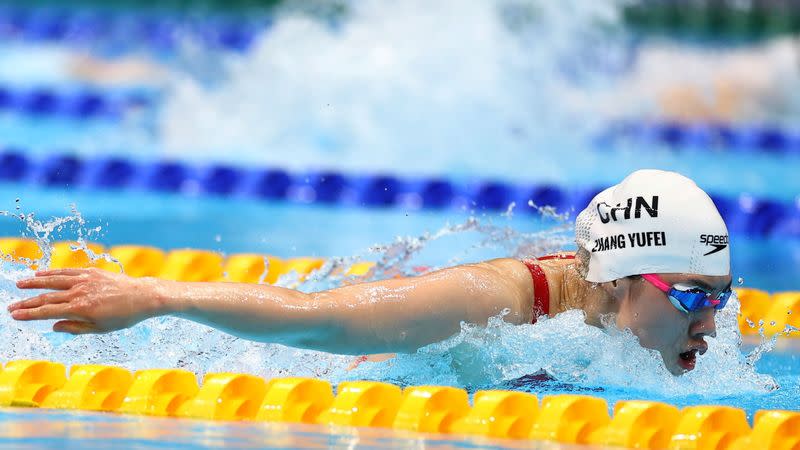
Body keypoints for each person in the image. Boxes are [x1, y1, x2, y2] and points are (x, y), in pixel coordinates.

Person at [7, 169, 732, 375]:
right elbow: (324, 317)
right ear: (615, 279)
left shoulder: (627, 316)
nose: (709, 320)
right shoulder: (495, 301)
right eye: (693, 294)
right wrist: (152, 293)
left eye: (718, 297)